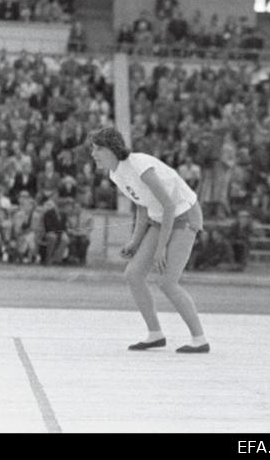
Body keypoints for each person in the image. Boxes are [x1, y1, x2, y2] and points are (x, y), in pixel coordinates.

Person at [89, 127, 209, 353]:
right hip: (161, 217)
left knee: (167, 282)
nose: (94, 153)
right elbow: (142, 205)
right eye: (93, 149)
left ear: (113, 149)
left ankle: (199, 339)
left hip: (184, 215)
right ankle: (155, 334)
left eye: (98, 148)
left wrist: (161, 248)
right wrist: (135, 241)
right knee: (133, 275)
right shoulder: (116, 173)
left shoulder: (138, 165)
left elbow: (170, 205)